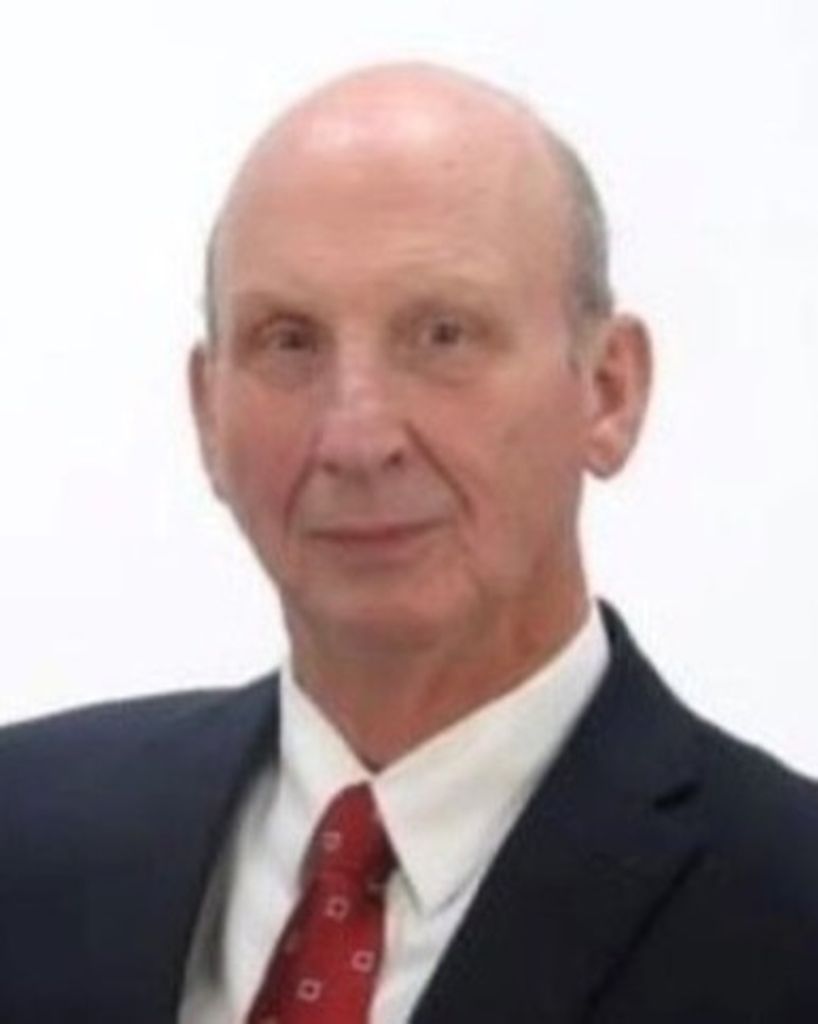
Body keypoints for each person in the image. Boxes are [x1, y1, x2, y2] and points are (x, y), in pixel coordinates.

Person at [1, 62, 817, 1024]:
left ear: (608, 390)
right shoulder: (26, 833)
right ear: (207, 412)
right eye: (289, 341)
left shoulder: (788, 915)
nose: (357, 438)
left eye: (443, 335)